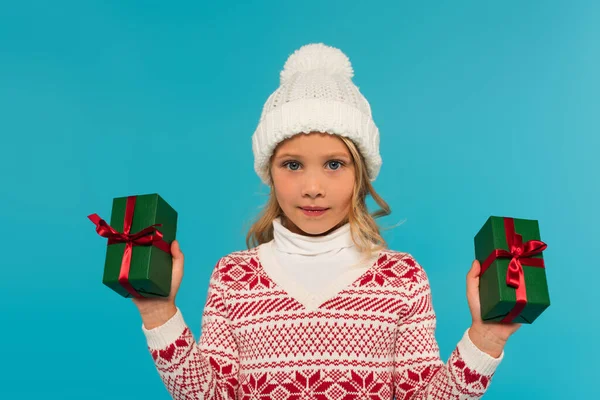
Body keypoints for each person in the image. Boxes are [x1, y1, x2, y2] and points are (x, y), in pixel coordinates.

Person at [134, 43, 520, 399]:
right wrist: (158, 313)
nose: (313, 187)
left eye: (334, 164)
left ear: (361, 174)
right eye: (293, 165)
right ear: (269, 172)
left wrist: (486, 337)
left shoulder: (401, 278)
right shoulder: (234, 277)